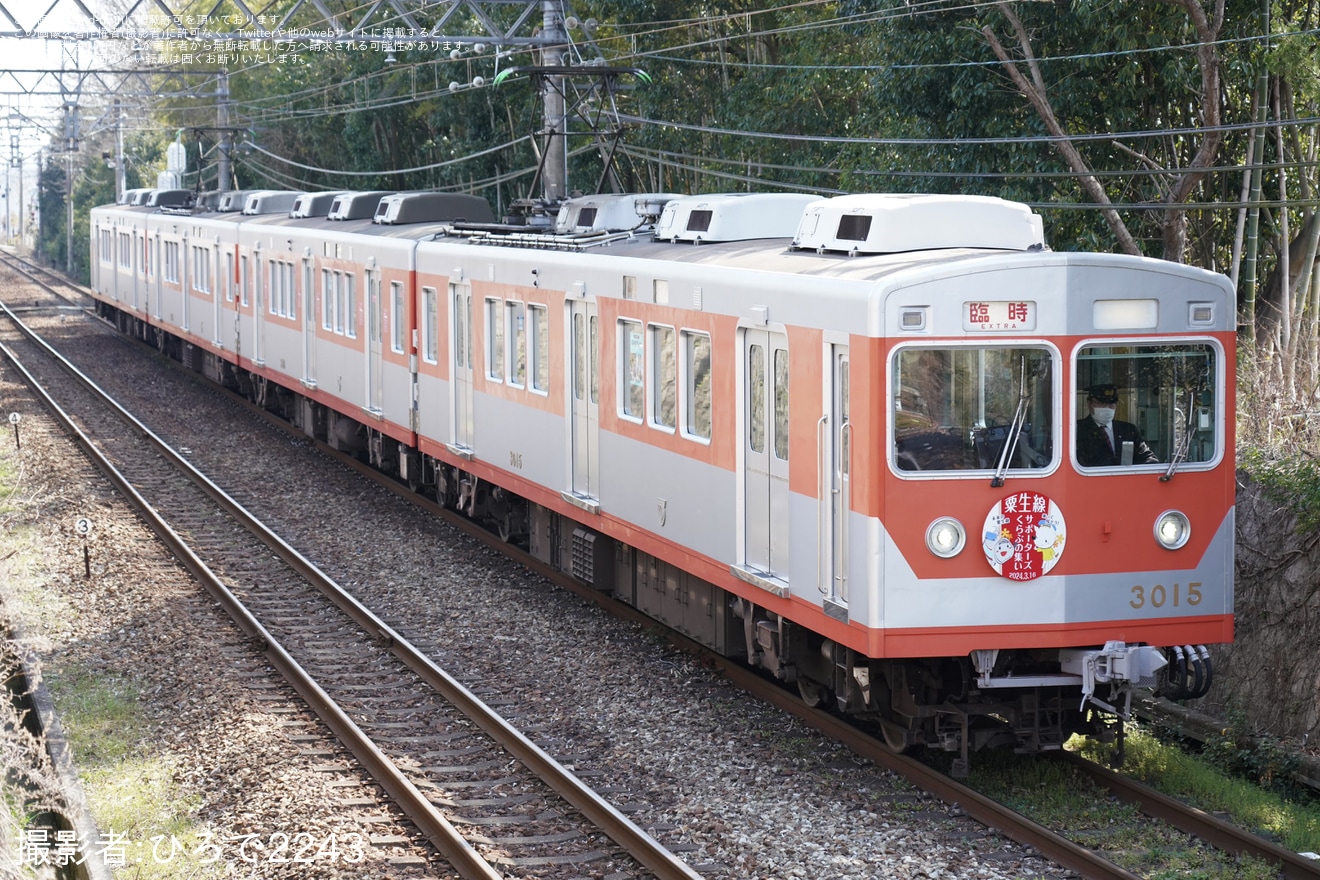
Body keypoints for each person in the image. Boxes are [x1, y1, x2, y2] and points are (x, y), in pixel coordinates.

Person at [1075, 384, 1158, 467]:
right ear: (1089, 404)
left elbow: (1147, 458)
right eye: (1101, 403)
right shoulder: (1078, 430)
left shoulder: (1128, 430)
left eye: (1111, 404)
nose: (1107, 408)